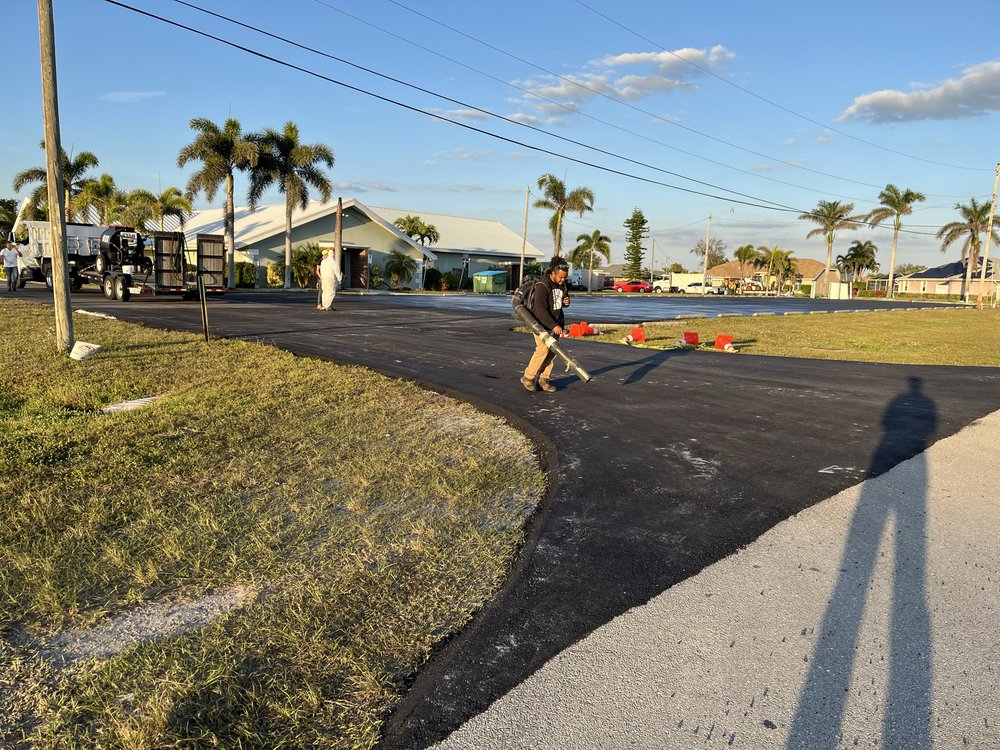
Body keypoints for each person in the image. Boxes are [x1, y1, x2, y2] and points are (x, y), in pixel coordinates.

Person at [521, 256, 571, 393]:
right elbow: (541, 310)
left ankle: (544, 379)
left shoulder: (562, 285)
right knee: (542, 350)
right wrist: (553, 325)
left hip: (556, 324)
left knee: (551, 353)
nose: (563, 280)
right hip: (541, 324)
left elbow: (559, 303)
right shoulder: (542, 285)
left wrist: (567, 303)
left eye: (565, 277)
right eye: (560, 277)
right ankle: (528, 377)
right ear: (553, 273)